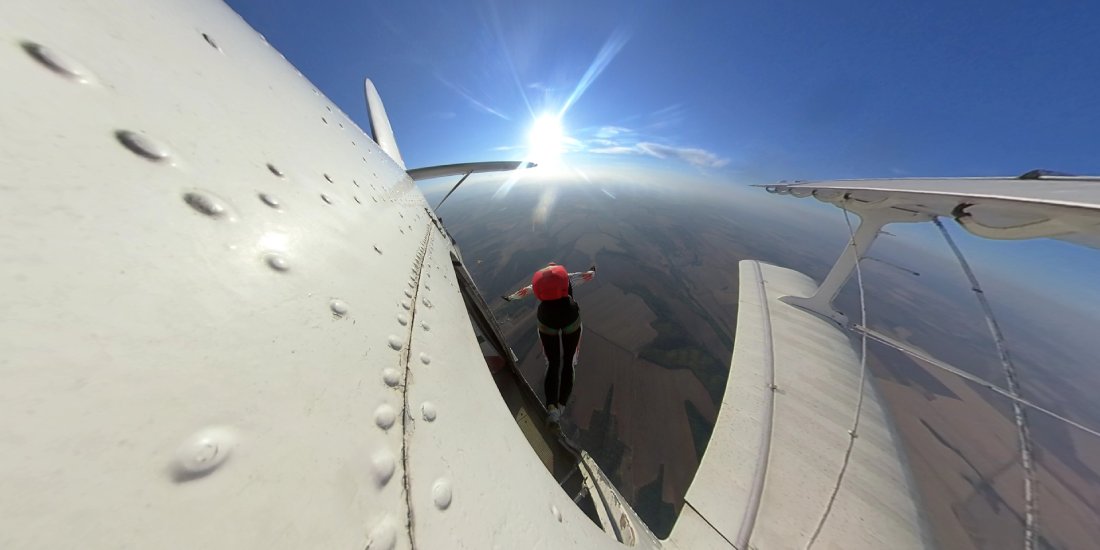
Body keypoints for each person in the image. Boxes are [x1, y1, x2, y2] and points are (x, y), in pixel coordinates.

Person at [503, 263, 596, 424]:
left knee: (552, 363)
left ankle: (551, 408)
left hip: (546, 320)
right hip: (570, 316)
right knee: (569, 361)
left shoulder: (538, 284)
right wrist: (592, 271)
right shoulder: (567, 277)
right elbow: (587, 276)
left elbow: (523, 292)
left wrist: (510, 298)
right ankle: (560, 407)